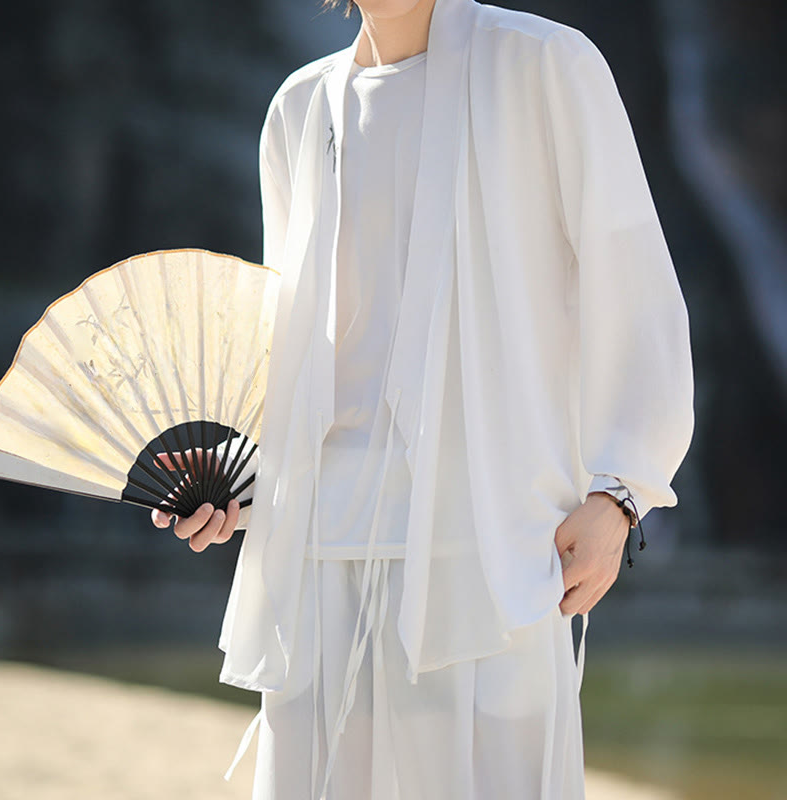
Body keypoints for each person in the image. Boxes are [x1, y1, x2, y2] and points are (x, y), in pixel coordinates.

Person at [152, 0, 694, 797]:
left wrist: (620, 494)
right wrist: (242, 477)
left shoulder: (544, 64)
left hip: (492, 558)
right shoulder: (299, 109)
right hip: (318, 559)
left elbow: (634, 283)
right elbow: (306, 356)